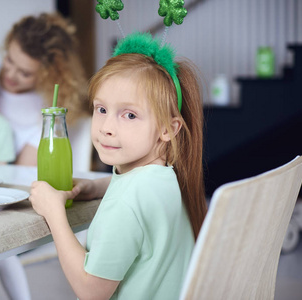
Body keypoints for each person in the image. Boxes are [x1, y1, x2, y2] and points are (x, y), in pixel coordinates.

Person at [28, 32, 208, 299]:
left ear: (168, 129)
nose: (107, 128)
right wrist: (99, 186)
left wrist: (54, 213)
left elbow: (91, 290)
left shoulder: (125, 204)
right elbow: (136, 192)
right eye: (101, 110)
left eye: (130, 115)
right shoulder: (166, 176)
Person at [0, 12, 90, 166]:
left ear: (48, 74)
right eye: (9, 60)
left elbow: (23, 174)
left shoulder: (48, 108)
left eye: (25, 73)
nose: (10, 75)